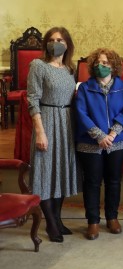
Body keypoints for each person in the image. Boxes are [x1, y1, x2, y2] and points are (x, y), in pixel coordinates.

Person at [26, 26, 79, 242]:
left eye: (60, 39)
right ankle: (50, 223)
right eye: (52, 39)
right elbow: (32, 99)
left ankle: (58, 218)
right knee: (45, 173)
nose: (55, 42)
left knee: (62, 171)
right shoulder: (38, 65)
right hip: (46, 120)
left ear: (67, 45)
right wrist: (40, 132)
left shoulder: (69, 69)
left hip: (66, 122)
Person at [75, 48, 123, 240]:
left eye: (106, 63)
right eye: (98, 62)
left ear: (114, 66)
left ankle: (112, 217)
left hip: (117, 142)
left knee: (113, 181)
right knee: (92, 182)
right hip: (90, 143)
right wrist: (100, 136)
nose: (102, 66)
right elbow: (81, 113)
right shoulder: (84, 88)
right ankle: (93, 221)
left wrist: (113, 133)